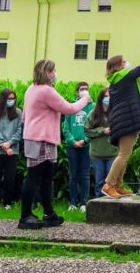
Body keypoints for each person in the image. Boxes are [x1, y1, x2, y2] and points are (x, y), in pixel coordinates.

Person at [19, 59, 90, 229]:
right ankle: (25, 216)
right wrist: (85, 99)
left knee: (45, 177)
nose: (55, 74)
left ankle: (49, 213)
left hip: (37, 137)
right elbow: (69, 108)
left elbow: (25, 115)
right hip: (41, 138)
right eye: (53, 71)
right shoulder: (45, 91)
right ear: (47, 73)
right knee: (35, 176)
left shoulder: (31, 89)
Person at [102, 38, 140, 199]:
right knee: (124, 155)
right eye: (123, 61)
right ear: (117, 67)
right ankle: (109, 184)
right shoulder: (124, 76)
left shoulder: (115, 82)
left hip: (121, 121)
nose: (126, 63)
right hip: (127, 121)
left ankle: (117, 184)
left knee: (125, 154)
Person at [0, 88, 23, 210]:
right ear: (3, 99)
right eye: (9, 98)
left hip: (12, 150)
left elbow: (20, 131)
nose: (11, 101)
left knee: (10, 177)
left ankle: (7, 203)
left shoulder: (18, 113)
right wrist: (3, 144)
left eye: (13, 98)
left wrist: (10, 143)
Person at [62, 81, 94, 211]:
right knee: (73, 175)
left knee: (85, 175)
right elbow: (65, 128)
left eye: (86, 89)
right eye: (82, 89)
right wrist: (73, 141)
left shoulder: (93, 107)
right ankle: (73, 203)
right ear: (77, 92)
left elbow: (94, 127)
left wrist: (85, 140)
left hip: (86, 146)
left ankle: (84, 203)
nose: (84, 91)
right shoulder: (71, 107)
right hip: (72, 146)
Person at [84, 87, 117, 199]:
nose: (108, 98)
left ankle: (111, 207)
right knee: (99, 182)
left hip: (112, 153)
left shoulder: (115, 113)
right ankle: (98, 206)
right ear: (101, 98)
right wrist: (102, 130)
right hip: (97, 154)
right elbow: (87, 131)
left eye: (110, 96)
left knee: (111, 184)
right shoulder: (93, 114)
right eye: (106, 96)